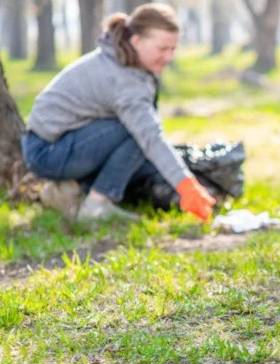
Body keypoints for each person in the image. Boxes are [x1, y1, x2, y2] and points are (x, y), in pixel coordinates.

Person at [22, 4, 215, 222]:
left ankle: (68, 191)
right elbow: (150, 137)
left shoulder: (120, 58)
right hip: (48, 151)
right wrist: (186, 185)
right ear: (136, 41)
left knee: (138, 140)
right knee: (137, 132)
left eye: (173, 49)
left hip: (55, 144)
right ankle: (97, 205)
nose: (169, 57)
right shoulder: (122, 78)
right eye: (162, 49)